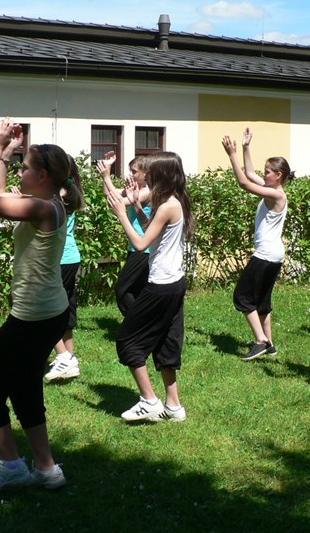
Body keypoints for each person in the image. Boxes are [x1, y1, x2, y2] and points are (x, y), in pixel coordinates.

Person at [0, 119, 83, 492]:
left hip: (34, 316)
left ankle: (11, 466)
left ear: (43, 175)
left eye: (26, 167)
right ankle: (46, 469)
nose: (21, 172)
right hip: (47, 312)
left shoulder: (42, 208)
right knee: (24, 386)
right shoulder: (48, 203)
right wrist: (7, 153)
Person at [105, 151, 192, 423]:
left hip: (161, 286)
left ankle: (149, 401)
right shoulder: (172, 201)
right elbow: (154, 232)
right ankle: (173, 406)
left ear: (161, 175)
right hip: (173, 283)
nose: (145, 177)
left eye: (150, 173)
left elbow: (141, 244)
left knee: (127, 341)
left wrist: (122, 213)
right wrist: (136, 206)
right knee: (166, 341)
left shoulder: (167, 205)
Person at [222, 128, 293, 360]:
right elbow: (250, 173)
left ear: (278, 175)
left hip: (266, 255)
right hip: (274, 254)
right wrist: (245, 147)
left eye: (268, 172)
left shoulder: (277, 195)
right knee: (262, 302)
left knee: (242, 297)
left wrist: (232, 155)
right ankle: (270, 344)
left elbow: (244, 182)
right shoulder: (271, 190)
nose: (264, 174)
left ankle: (260, 341)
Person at [45, 155, 86, 381]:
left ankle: (64, 357)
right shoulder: (71, 191)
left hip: (59, 259)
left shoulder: (56, 194)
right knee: (66, 309)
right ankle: (69, 358)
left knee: (47, 310)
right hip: (70, 257)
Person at [96, 152, 152, 317]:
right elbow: (109, 194)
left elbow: (118, 202)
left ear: (146, 174)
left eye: (134, 171)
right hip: (135, 246)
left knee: (122, 288)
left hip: (143, 249)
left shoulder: (147, 192)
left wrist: (107, 177)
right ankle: (143, 322)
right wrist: (107, 170)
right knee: (136, 289)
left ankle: (137, 321)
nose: (131, 175)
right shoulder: (135, 190)